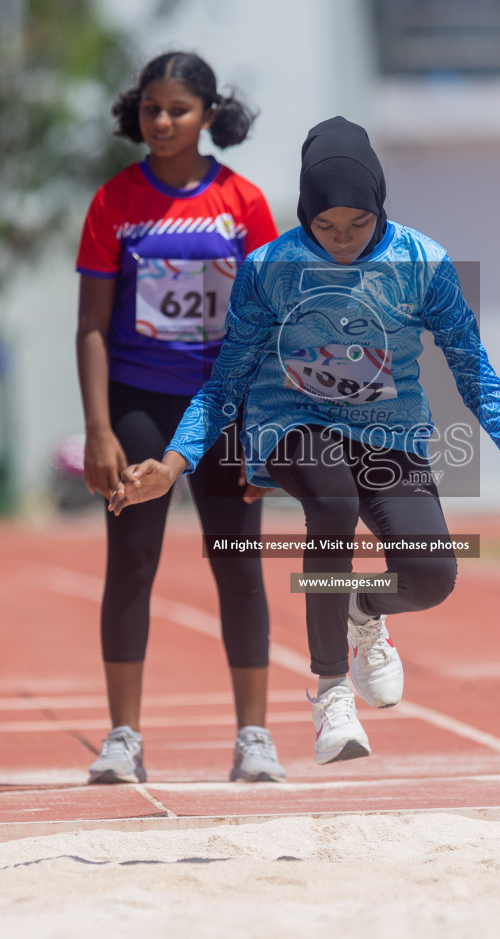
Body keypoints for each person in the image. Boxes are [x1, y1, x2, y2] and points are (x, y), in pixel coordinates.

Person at [108, 116, 500, 767]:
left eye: (357, 226)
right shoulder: (269, 269)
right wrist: (174, 462)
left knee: (432, 575)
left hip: (390, 435)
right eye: (325, 227)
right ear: (304, 211)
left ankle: (364, 608)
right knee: (330, 504)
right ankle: (331, 690)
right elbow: (225, 384)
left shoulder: (422, 263)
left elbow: (473, 369)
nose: (341, 241)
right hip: (290, 425)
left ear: (379, 208)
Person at [76, 51, 286, 784]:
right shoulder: (113, 204)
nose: (161, 122)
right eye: (150, 110)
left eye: (177, 110)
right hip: (139, 403)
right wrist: (99, 428)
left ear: (208, 115)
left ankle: (254, 736)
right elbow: (92, 326)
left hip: (225, 406)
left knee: (238, 563)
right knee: (132, 561)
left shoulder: (244, 204)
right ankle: (124, 737)